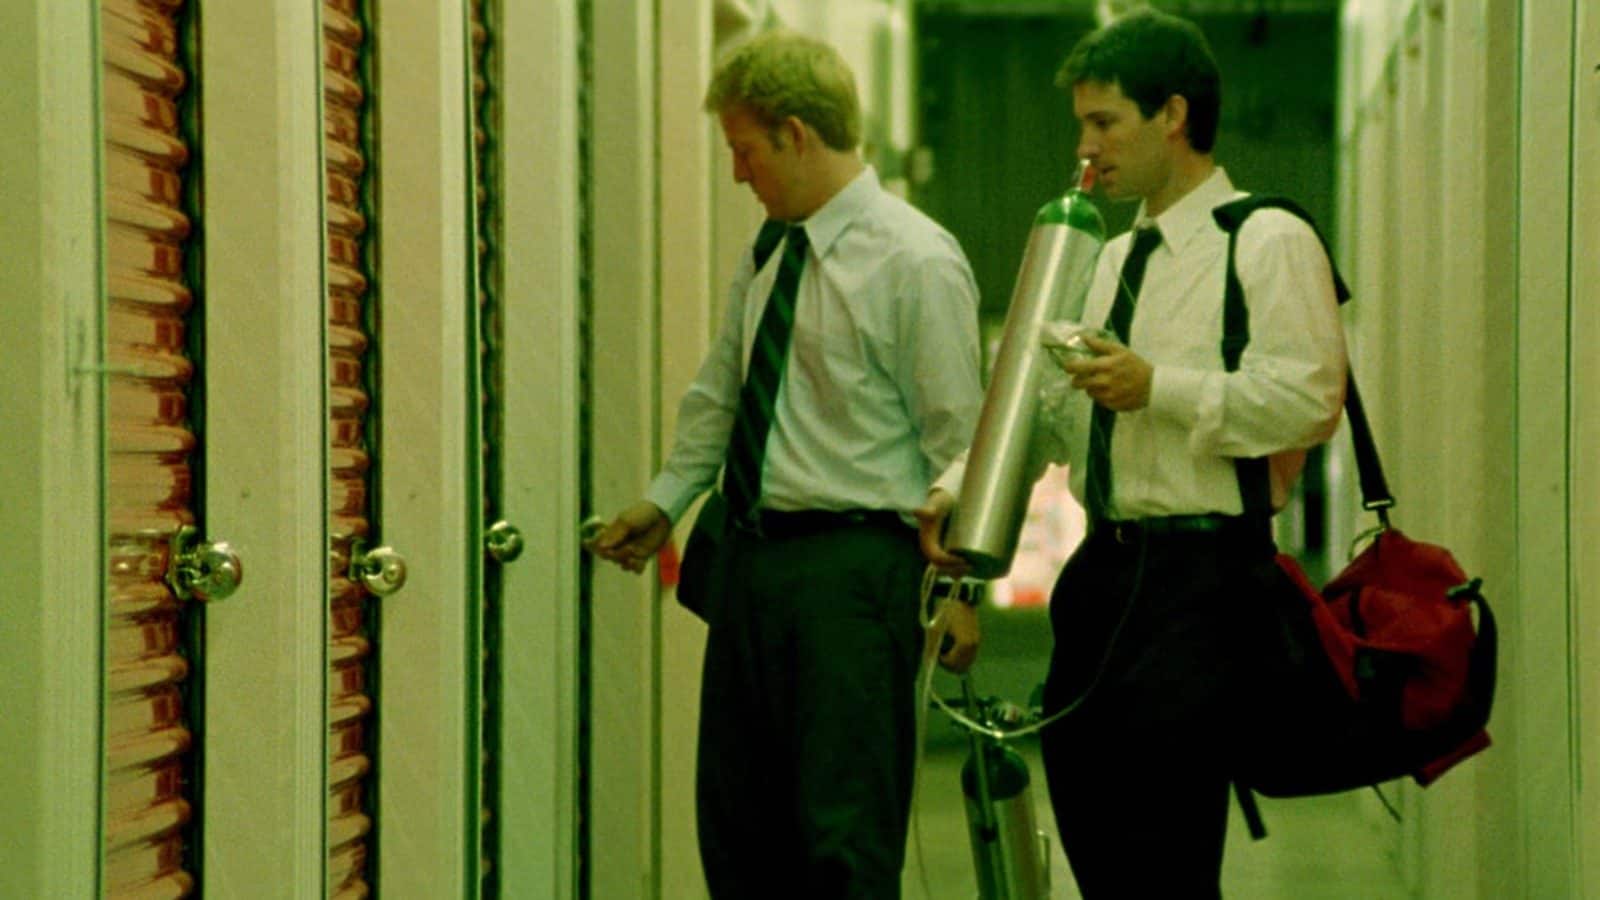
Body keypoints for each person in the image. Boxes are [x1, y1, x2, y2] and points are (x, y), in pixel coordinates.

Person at [917, 9, 1348, 897]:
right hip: (1102, 580)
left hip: (1203, 583)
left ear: (1174, 115)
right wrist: (961, 491)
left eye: (1105, 122)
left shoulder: (1266, 239)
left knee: (1166, 852)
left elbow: (1310, 398)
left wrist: (1161, 388)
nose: (1086, 147)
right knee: (1092, 825)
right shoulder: (1110, 259)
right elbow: (1050, 413)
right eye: (1083, 124)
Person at [586, 29, 984, 899]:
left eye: (746, 151)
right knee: (738, 828)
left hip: (856, 575)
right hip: (753, 567)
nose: (738, 174)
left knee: (842, 838)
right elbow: (722, 392)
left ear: (797, 134)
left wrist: (960, 590)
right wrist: (667, 499)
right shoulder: (772, 247)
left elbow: (962, 442)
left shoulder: (914, 260)